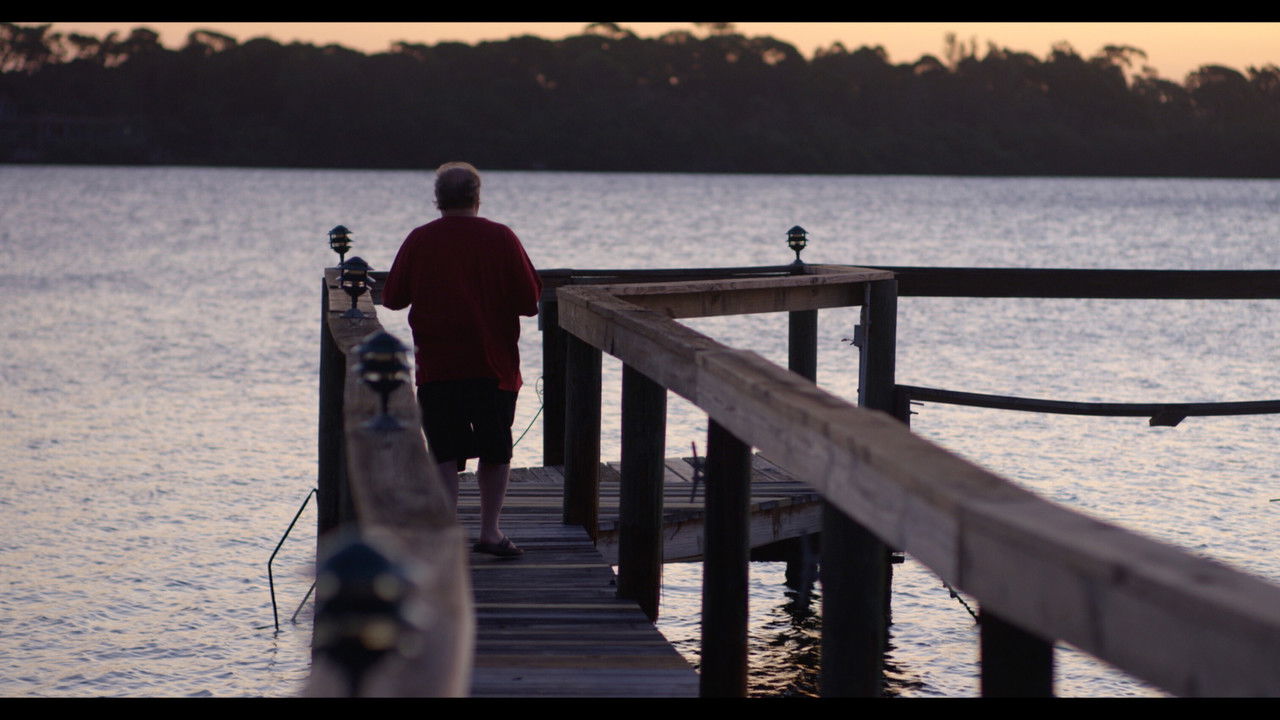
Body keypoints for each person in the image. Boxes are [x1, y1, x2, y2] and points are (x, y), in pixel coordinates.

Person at [381, 162, 542, 558]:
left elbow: (393, 298)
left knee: (444, 452)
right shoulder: (501, 238)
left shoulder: (420, 239)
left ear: (438, 199)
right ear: (476, 196)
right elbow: (529, 301)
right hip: (493, 365)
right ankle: (490, 532)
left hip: (437, 364)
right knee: (495, 449)